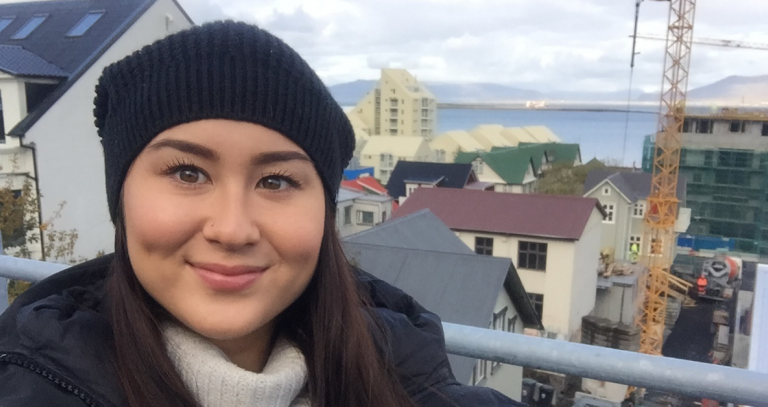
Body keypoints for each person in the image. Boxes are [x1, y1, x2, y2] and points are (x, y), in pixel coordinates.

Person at [0, 21, 522, 407]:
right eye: (187, 173)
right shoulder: (30, 387)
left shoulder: (410, 380)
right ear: (122, 199)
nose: (231, 229)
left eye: (276, 181)